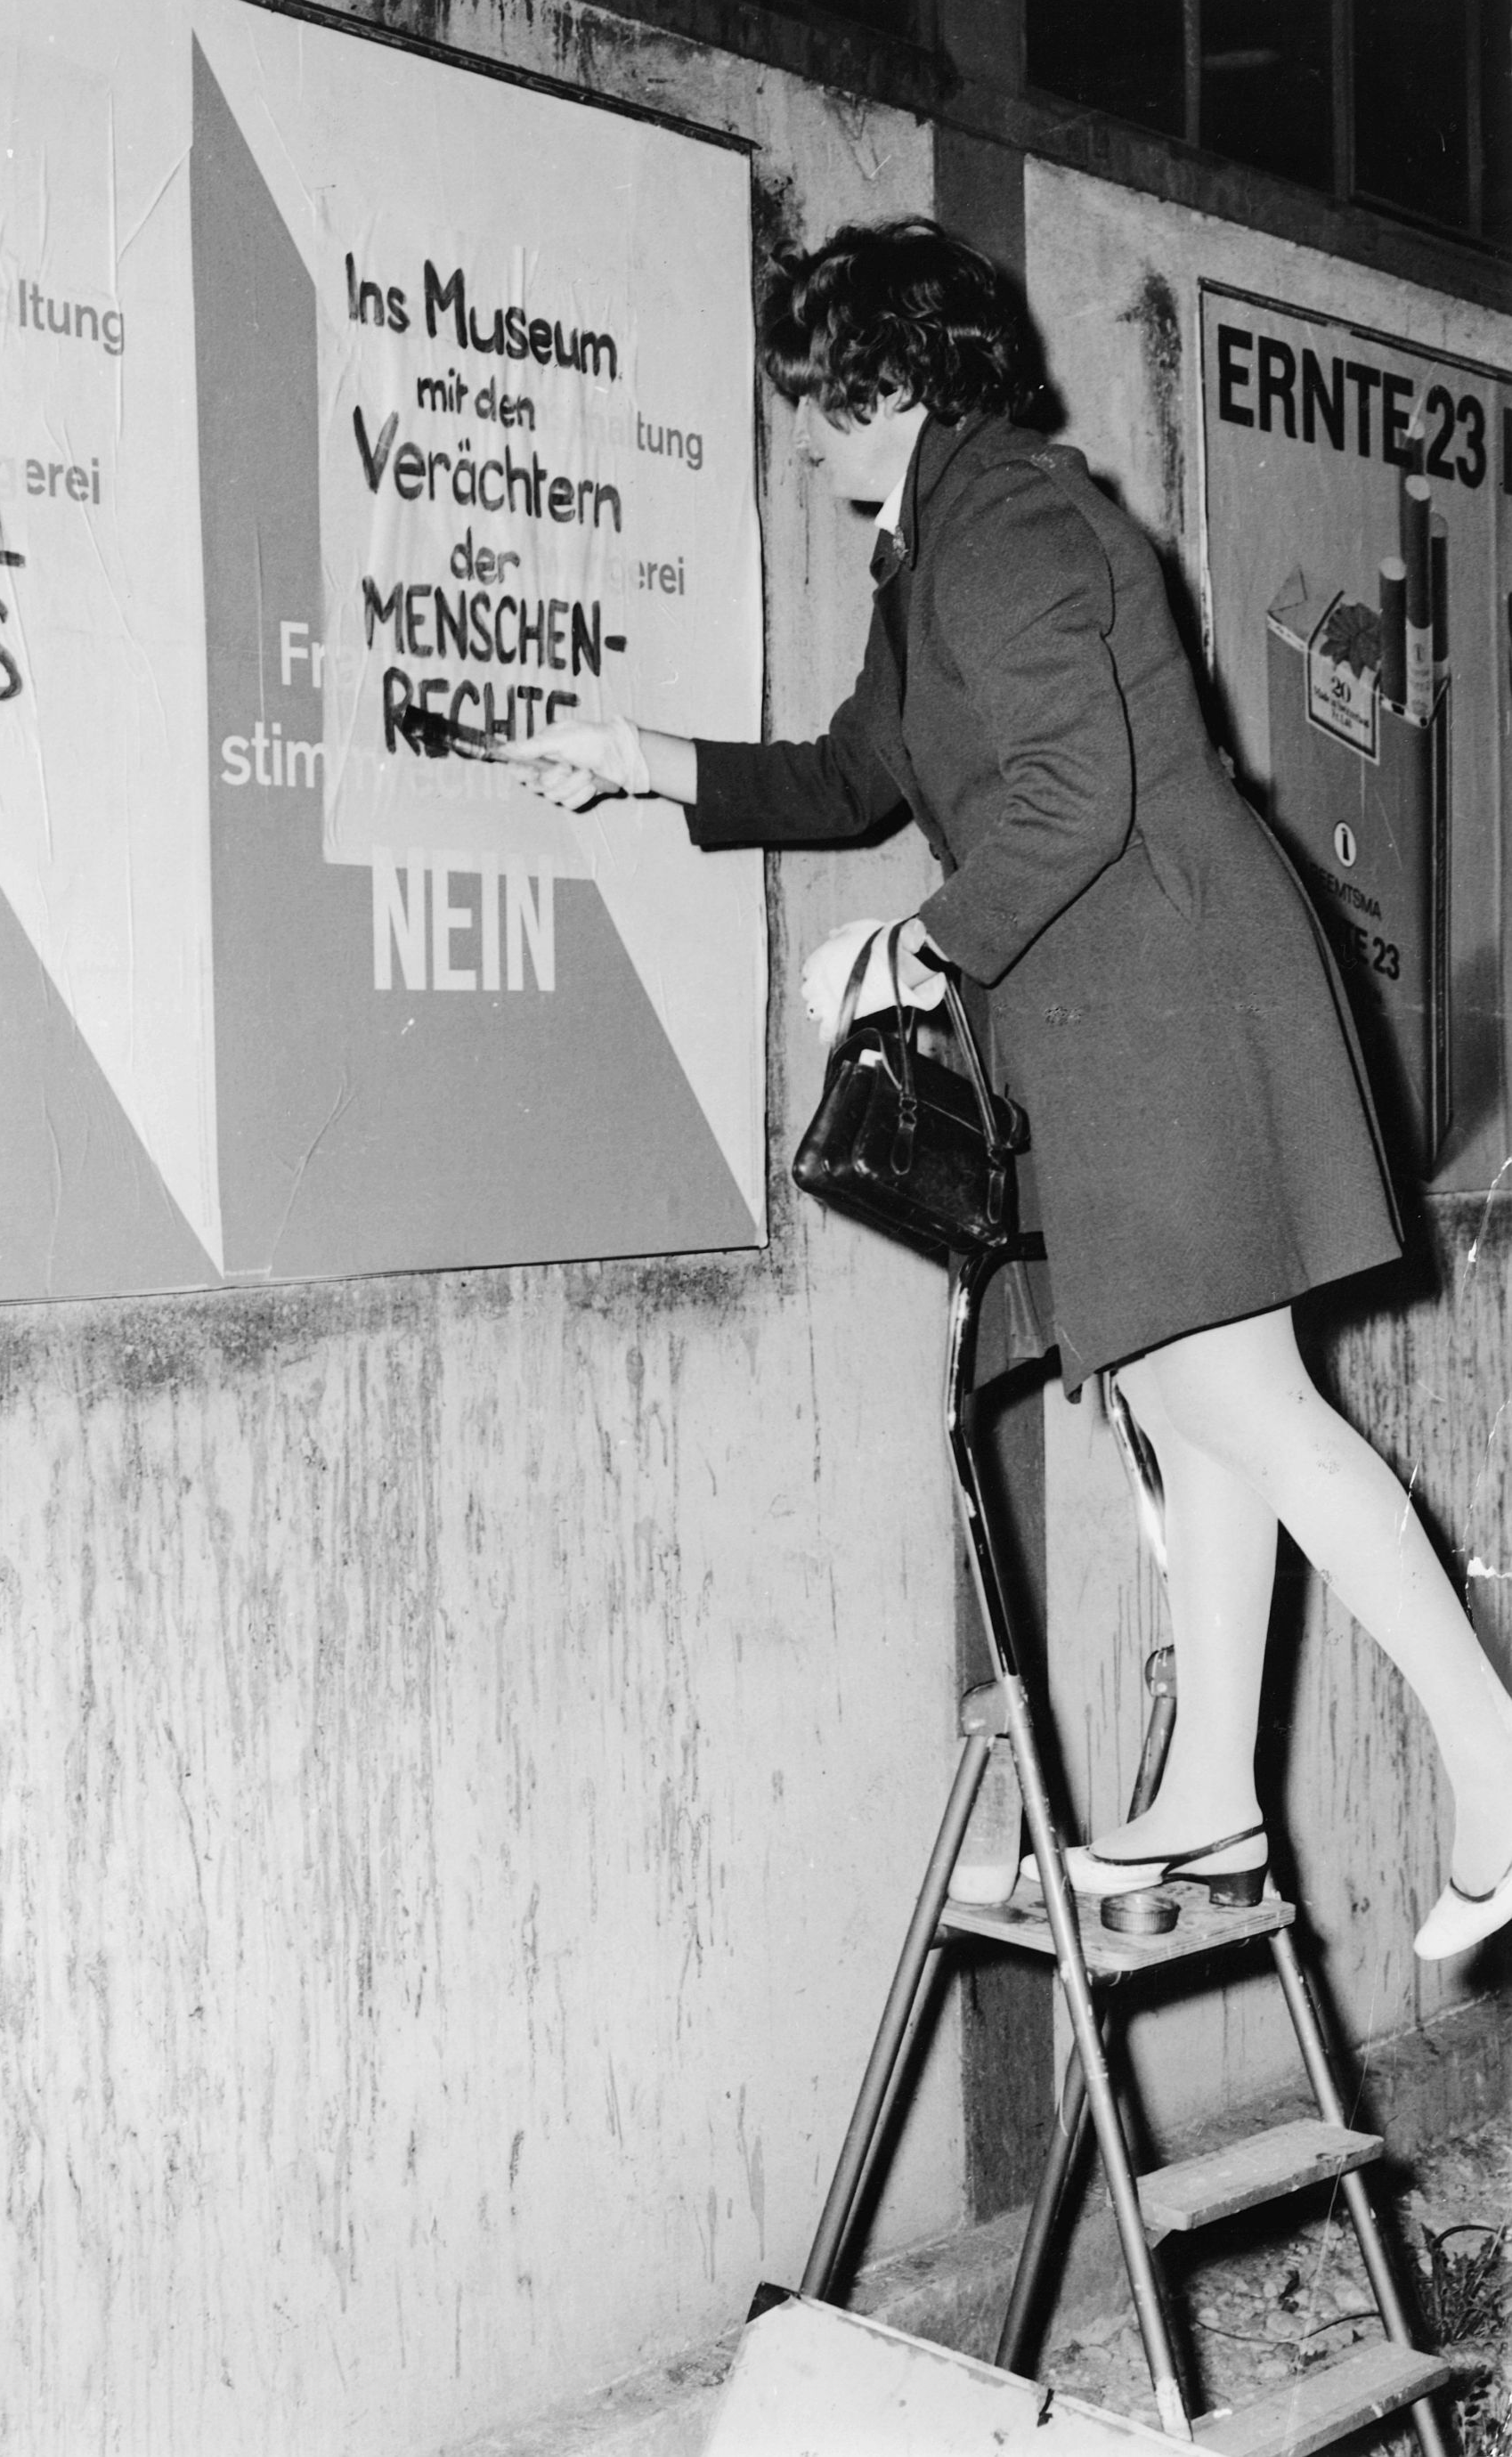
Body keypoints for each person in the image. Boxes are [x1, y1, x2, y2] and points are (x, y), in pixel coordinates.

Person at [506, 217, 1512, 1962]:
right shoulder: (932, 555)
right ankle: (1208, 1796)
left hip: (1161, 984)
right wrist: (641, 759)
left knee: (1244, 1408)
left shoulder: (1004, 521)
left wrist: (916, 947)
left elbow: (1071, 793)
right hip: (1122, 993)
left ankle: (1496, 1758)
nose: (801, 428)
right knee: (1208, 1404)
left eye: (816, 395)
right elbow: (847, 772)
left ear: (889, 378)